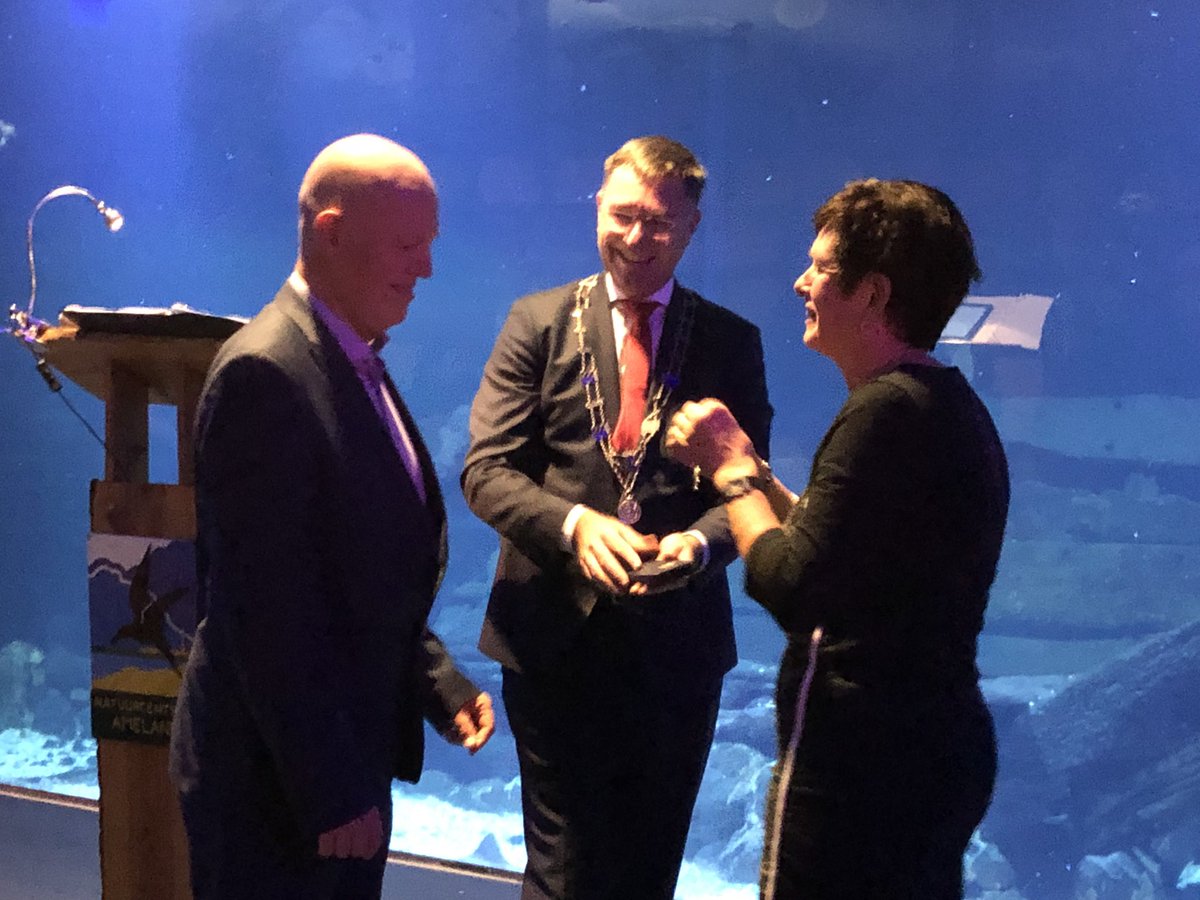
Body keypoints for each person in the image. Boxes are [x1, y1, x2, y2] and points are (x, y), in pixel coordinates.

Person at [169, 134, 495, 900]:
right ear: (332, 232)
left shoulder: (345, 357)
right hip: (277, 789)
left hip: (329, 764)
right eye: (408, 245)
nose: (427, 268)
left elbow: (352, 569)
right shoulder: (267, 373)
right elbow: (264, 608)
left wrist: (435, 680)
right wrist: (329, 788)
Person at [666, 179, 1009, 899]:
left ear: (874, 294)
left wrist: (732, 472)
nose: (801, 282)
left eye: (820, 268)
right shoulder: (944, 404)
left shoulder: (881, 414)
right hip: (929, 745)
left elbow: (790, 581)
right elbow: (843, 550)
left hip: (858, 763)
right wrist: (762, 477)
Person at [461, 135, 773, 899]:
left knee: (648, 870)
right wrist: (576, 527)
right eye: (623, 215)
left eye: (659, 223)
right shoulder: (535, 322)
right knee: (562, 872)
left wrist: (696, 548)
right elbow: (486, 472)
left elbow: (750, 487)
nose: (637, 237)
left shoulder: (731, 342)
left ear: (692, 227)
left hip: (678, 648)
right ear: (597, 207)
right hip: (551, 639)